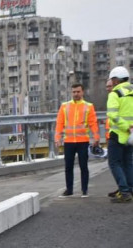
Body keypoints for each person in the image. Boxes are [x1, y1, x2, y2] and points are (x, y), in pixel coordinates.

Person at [54, 83, 100, 197]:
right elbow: (59, 123)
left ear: (82, 92)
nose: (76, 94)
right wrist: (57, 138)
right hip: (69, 141)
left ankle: (84, 190)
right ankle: (69, 190)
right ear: (71, 92)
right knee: (68, 167)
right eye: (74, 92)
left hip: (83, 141)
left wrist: (96, 137)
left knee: (83, 166)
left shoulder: (88, 106)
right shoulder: (65, 106)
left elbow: (93, 123)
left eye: (78, 91)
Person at [106, 66, 133, 203]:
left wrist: (126, 127)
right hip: (131, 136)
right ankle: (130, 189)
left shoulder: (115, 94)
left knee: (114, 163)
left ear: (116, 80)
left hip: (118, 134)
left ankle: (124, 192)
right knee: (128, 163)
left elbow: (112, 114)